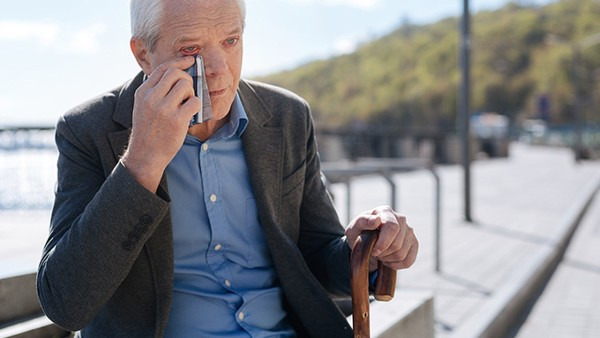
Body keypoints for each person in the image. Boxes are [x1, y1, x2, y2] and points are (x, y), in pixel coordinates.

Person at [36, 0, 419, 337]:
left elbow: (316, 258)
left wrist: (367, 250)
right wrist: (142, 161)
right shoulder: (88, 130)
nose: (219, 68)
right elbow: (66, 304)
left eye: (231, 41)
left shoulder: (287, 117)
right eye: (191, 49)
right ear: (143, 54)